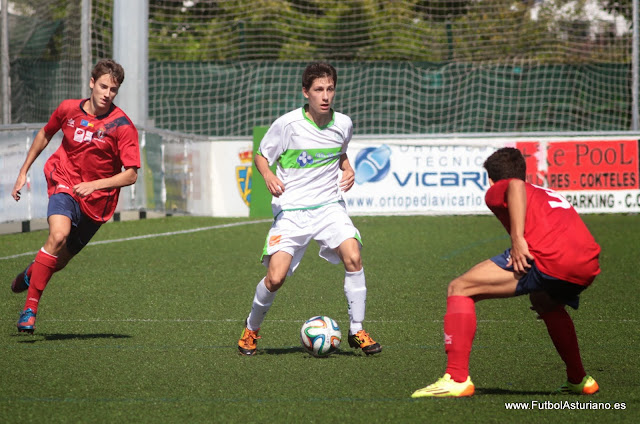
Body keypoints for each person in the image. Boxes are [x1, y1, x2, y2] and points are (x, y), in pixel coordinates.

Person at [411, 147, 600, 398]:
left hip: (552, 259)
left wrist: (518, 239)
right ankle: (579, 380)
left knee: (460, 288)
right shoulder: (546, 192)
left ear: (491, 180)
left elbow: (514, 186)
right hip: (588, 262)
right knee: (544, 301)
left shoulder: (499, 188)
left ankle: (456, 379)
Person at [237, 62, 381, 356]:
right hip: (292, 211)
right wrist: (268, 175)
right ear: (306, 92)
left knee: (353, 256)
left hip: (329, 207)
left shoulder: (344, 124)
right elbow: (262, 156)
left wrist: (348, 168)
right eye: (318, 90)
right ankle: (251, 328)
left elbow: (340, 152)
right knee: (275, 278)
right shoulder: (287, 125)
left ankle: (356, 330)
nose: (325, 96)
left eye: (330, 89)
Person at [10, 59, 140, 334]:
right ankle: (30, 310)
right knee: (58, 236)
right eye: (103, 86)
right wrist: (23, 171)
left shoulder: (122, 126)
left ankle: (30, 273)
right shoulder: (68, 109)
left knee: (59, 260)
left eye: (113, 90)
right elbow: (45, 134)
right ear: (92, 83)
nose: (107, 94)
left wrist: (95, 185)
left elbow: (130, 175)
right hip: (64, 180)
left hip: (97, 204)